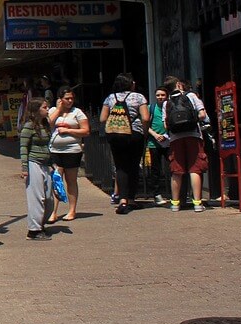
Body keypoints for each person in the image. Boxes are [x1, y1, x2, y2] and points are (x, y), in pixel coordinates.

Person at [100, 73, 150, 214]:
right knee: (133, 166)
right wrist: (144, 132)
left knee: (120, 166)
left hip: (115, 135)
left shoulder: (110, 97)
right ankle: (132, 199)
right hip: (134, 134)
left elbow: (102, 118)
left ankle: (122, 200)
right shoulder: (139, 97)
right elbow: (145, 117)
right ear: (130, 84)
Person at [162, 75, 210, 212]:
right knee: (195, 169)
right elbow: (202, 115)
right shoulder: (191, 96)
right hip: (193, 135)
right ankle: (197, 203)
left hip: (175, 138)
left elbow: (166, 124)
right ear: (178, 84)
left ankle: (175, 204)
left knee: (176, 171)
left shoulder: (167, 103)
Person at [48, 87, 90, 221]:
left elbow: (86, 131)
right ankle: (53, 212)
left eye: (72, 98)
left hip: (72, 150)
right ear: (60, 99)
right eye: (67, 98)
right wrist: (59, 110)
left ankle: (72, 210)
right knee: (56, 180)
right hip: (55, 150)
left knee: (70, 180)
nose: (70, 101)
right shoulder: (53, 111)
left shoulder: (77, 112)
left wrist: (69, 131)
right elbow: (48, 123)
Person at [19, 97, 55, 240]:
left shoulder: (45, 125)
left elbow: (48, 145)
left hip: (46, 164)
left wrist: (52, 163)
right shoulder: (29, 126)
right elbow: (23, 146)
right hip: (34, 163)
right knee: (36, 197)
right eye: (44, 107)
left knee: (48, 198)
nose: (47, 110)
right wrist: (24, 167)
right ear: (36, 110)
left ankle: (40, 223)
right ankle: (33, 230)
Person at [146, 87, 170, 205]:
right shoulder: (151, 108)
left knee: (173, 167)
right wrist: (155, 135)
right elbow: (145, 124)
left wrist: (165, 135)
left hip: (168, 141)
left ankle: (173, 193)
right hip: (154, 143)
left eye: (163, 95)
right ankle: (156, 194)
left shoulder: (170, 107)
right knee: (155, 169)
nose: (160, 97)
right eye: (158, 95)